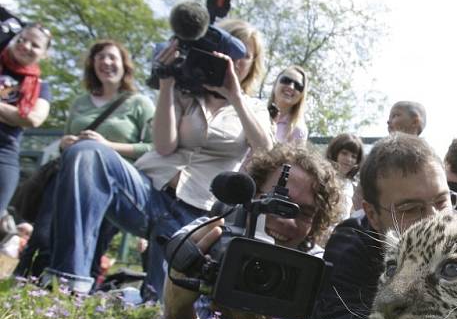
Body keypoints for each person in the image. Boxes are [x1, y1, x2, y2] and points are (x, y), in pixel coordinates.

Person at [42, 19, 272, 299]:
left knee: (158, 305)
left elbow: (265, 152)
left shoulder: (254, 108)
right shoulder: (184, 92)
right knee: (86, 153)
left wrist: (235, 96)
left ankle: (131, 296)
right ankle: (68, 283)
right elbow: (163, 146)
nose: (233, 61)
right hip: (145, 193)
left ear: (253, 64)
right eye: (227, 51)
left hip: (194, 216)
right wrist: (167, 85)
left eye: (244, 55)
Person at [163, 144, 341, 319]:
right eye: (274, 203)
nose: (285, 220)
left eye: (304, 212)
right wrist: (179, 309)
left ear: (317, 222)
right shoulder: (209, 233)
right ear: (250, 195)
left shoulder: (316, 272)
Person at [17, 39, 155, 278]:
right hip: (67, 179)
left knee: (91, 247)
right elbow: (65, 138)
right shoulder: (80, 102)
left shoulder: (139, 103)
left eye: (113, 57)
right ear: (93, 65)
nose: (106, 62)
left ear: (125, 65)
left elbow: (154, 147)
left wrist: (107, 146)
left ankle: (76, 302)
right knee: (43, 238)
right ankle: (26, 291)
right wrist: (65, 143)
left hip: (110, 185)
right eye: (100, 57)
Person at [310, 132, 452, 319]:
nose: (434, 219)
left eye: (442, 201)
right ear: (372, 215)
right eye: (410, 209)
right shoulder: (351, 246)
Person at [0, 23, 52, 244]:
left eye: (35, 44)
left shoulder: (41, 86)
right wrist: (15, 114)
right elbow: (23, 115)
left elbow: (33, 119)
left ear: (44, 54)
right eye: (22, 39)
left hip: (5, 154)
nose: (25, 46)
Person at [325, 133, 363, 220]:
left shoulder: (352, 186)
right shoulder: (323, 179)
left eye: (353, 156)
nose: (349, 159)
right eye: (344, 153)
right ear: (334, 153)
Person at [268, 65, 308, 144]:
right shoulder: (256, 111)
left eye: (298, 86)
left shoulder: (298, 130)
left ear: (301, 95)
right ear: (275, 83)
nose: (291, 87)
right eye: (286, 80)